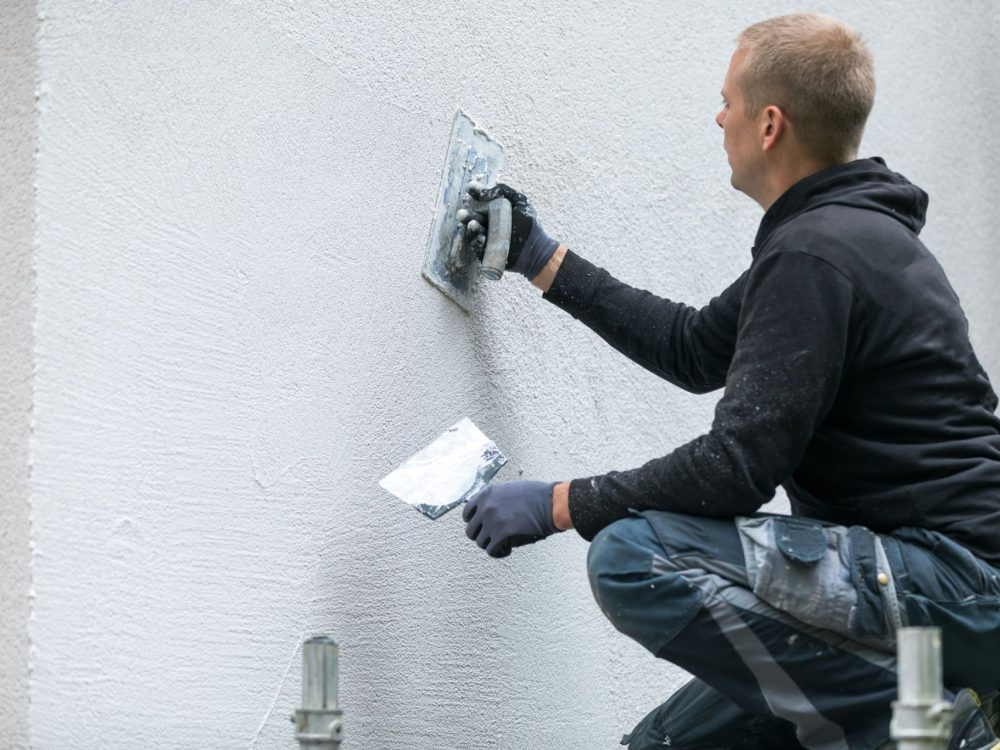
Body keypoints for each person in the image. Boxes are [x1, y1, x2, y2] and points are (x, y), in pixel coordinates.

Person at [458, 12, 1000, 750]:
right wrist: (541, 257)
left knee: (633, 557)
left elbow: (736, 469)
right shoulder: (841, 239)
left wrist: (560, 504)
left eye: (728, 102)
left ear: (769, 123)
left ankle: (932, 729)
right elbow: (691, 348)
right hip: (933, 589)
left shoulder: (820, 253)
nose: (719, 118)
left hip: (954, 584)